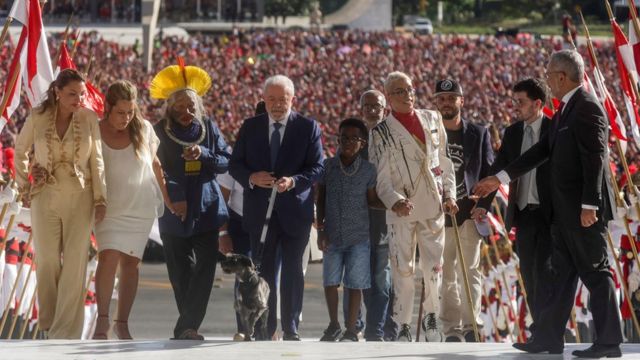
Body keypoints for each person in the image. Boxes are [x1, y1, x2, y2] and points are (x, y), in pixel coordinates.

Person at [474, 50, 623, 358]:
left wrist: (590, 206)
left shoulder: (587, 108)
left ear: (561, 77)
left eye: (549, 73)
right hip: (564, 214)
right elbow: (541, 151)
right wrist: (499, 178)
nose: (547, 79)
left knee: (596, 273)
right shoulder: (565, 110)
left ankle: (609, 342)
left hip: (582, 212)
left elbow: (595, 159)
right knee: (559, 277)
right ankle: (548, 338)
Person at [229, 75, 324, 340]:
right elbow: (235, 165)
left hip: (295, 212)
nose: (277, 105)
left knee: (294, 271)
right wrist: (252, 178)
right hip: (260, 213)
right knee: (265, 272)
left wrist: (294, 181)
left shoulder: (308, 127)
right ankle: (265, 328)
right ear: (264, 100)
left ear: (292, 99)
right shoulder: (250, 127)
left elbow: (317, 168)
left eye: (283, 99)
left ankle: (291, 328)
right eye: (271, 99)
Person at [15, 68, 107, 339]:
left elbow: (97, 160)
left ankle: (65, 332)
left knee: (76, 263)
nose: (78, 99)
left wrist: (101, 198)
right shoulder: (38, 116)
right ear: (57, 91)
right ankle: (48, 323)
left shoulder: (90, 118)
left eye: (81, 93)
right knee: (46, 260)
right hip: (45, 194)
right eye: (71, 94)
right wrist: (25, 184)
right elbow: (21, 150)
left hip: (81, 196)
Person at [369, 71, 458, 342]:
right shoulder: (380, 132)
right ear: (388, 98)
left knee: (434, 268)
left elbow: (444, 162)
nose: (407, 95)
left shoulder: (432, 119)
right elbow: (381, 180)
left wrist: (450, 195)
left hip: (432, 206)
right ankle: (403, 322)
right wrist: (395, 200)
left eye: (409, 89)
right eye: (399, 91)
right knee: (402, 270)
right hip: (401, 210)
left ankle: (431, 316)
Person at [150, 62, 231, 340]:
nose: (186, 112)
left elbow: (225, 162)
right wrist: (178, 198)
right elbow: (156, 169)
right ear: (168, 107)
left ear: (198, 106)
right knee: (180, 271)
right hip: (173, 209)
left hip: (207, 207)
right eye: (179, 107)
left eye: (190, 107)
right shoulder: (158, 131)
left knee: (206, 269)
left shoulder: (209, 127)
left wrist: (204, 155)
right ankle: (188, 326)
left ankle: (186, 326)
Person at [92, 80, 170, 340]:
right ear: (108, 108)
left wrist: (168, 201)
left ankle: (122, 322)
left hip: (140, 207)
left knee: (131, 264)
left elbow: (156, 165)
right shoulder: (94, 129)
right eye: (120, 112)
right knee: (108, 257)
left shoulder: (144, 129)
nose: (126, 118)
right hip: (108, 207)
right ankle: (102, 320)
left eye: (130, 112)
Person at [489, 78, 553, 335]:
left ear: (537, 103)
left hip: (551, 216)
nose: (516, 107)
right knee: (529, 273)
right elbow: (500, 169)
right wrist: (482, 197)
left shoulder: (554, 129)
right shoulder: (513, 133)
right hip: (524, 215)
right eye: (514, 101)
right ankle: (540, 329)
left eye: (521, 102)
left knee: (546, 272)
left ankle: (550, 329)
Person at [434, 79, 494, 342]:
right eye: (442, 98)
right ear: (436, 102)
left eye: (451, 97)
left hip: (469, 213)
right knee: (445, 273)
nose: (446, 102)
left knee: (470, 271)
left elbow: (489, 174)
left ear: (461, 100)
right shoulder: (430, 133)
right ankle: (452, 330)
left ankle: (472, 326)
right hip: (439, 215)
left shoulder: (479, 133)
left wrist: (482, 206)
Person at [316, 118, 382, 342]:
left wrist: (394, 203)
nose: (348, 142)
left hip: (358, 236)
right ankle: (333, 324)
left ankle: (352, 328)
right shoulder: (328, 166)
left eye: (354, 138)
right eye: (344, 137)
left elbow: (372, 199)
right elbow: (320, 198)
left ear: (363, 143)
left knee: (355, 283)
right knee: (330, 281)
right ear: (338, 139)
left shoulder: (368, 170)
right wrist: (321, 229)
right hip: (332, 234)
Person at [216, 101, 265, 341]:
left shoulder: (288, 154)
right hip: (241, 224)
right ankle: (244, 328)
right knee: (245, 277)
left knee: (271, 277)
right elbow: (222, 201)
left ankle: (269, 328)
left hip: (271, 224)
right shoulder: (237, 156)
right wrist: (223, 234)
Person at [358, 89, 396, 341]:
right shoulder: (353, 140)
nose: (372, 110)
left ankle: (377, 329)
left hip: (386, 219)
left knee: (382, 277)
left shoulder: (394, 140)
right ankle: (381, 326)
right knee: (365, 279)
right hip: (360, 221)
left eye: (377, 106)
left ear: (386, 110)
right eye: (367, 106)